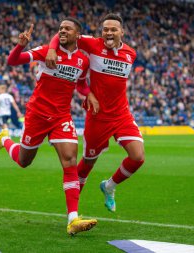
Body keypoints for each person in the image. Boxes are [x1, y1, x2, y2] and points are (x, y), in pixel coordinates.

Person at [0, 18, 99, 235]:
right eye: (60, 28)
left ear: (78, 34)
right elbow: (14, 61)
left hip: (61, 116)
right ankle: (3, 139)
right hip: (37, 115)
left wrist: (90, 95)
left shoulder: (82, 61)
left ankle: (73, 219)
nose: (62, 31)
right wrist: (21, 44)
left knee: (69, 160)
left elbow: (80, 84)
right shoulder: (45, 51)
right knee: (24, 161)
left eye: (68, 28)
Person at [46, 13, 145, 213]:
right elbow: (64, 33)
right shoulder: (92, 45)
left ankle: (109, 186)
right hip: (97, 116)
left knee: (138, 157)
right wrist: (50, 49)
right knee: (87, 165)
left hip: (122, 115)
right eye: (105, 29)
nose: (109, 32)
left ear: (121, 32)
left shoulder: (130, 54)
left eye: (113, 29)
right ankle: (72, 213)